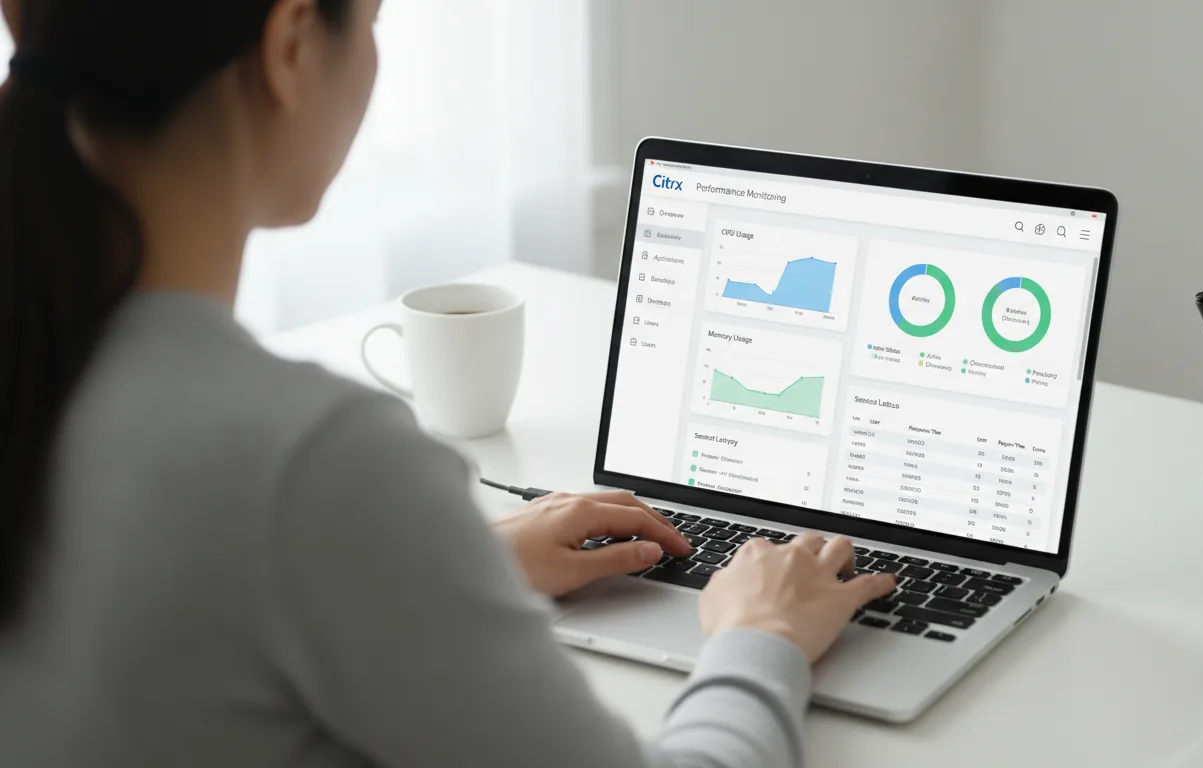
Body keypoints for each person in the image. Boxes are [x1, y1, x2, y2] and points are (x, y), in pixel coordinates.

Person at [0, 1, 897, 766]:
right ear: (291, 45)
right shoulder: (310, 464)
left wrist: (439, 571)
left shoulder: (50, 371)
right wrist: (763, 637)